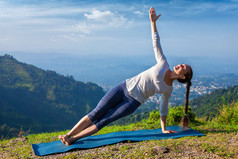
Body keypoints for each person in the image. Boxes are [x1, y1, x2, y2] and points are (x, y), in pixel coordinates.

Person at [59, 7, 193, 146]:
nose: (181, 65)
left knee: (105, 120)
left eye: (184, 67)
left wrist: (163, 129)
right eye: (182, 64)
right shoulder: (163, 63)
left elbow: (163, 109)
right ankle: (68, 134)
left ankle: (72, 139)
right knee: (96, 112)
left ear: (183, 77)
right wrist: (153, 22)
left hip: (132, 102)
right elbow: (156, 42)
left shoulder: (168, 89)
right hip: (123, 87)